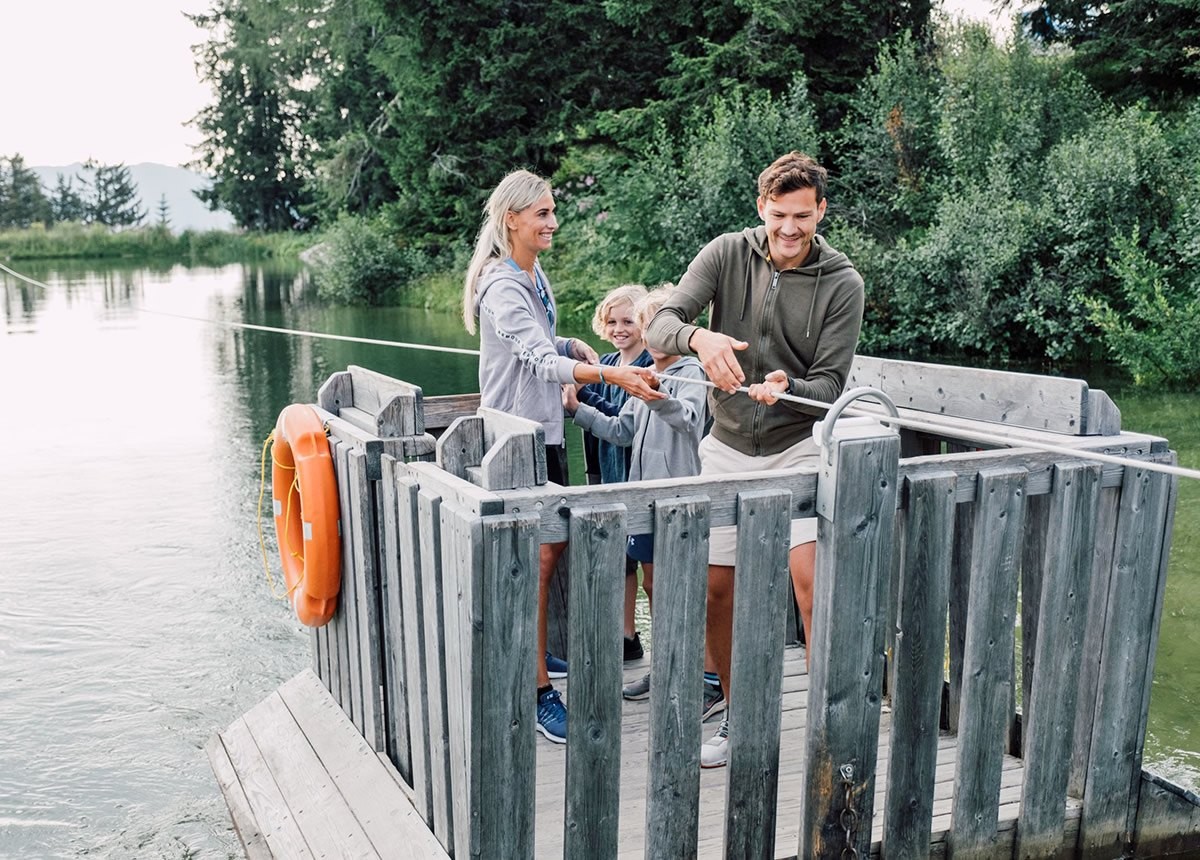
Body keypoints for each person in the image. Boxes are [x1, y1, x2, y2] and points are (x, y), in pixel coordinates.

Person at [643, 151, 865, 768]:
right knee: (717, 589)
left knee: (812, 587)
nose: (789, 229)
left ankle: (829, 728)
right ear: (760, 209)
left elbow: (830, 385)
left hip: (799, 446)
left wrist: (785, 386)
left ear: (821, 211)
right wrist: (698, 336)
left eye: (802, 216)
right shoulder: (725, 253)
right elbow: (660, 325)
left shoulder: (843, 281)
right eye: (778, 216)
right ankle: (738, 716)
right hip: (728, 445)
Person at [463, 169, 663, 745]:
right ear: (513, 221)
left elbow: (538, 344)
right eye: (543, 214)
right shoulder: (503, 284)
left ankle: (540, 663)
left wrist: (569, 343)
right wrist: (604, 369)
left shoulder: (533, 274)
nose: (553, 222)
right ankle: (536, 692)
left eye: (553, 212)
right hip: (515, 440)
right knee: (538, 562)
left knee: (550, 553)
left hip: (545, 435)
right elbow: (530, 358)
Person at [564, 286, 708, 704]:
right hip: (644, 501)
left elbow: (690, 420)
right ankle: (663, 670)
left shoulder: (691, 373)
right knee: (653, 587)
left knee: (673, 587)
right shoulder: (648, 376)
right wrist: (577, 410)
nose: (648, 336)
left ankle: (691, 673)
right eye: (648, 328)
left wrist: (655, 398)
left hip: (678, 500)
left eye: (655, 328)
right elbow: (621, 430)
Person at [576, 284, 654, 661]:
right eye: (612, 321)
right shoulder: (605, 362)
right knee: (621, 562)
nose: (619, 328)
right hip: (608, 473)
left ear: (643, 324)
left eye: (628, 321)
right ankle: (627, 636)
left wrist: (581, 397)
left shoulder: (648, 367)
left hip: (636, 475)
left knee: (649, 564)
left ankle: (662, 637)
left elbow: (622, 418)